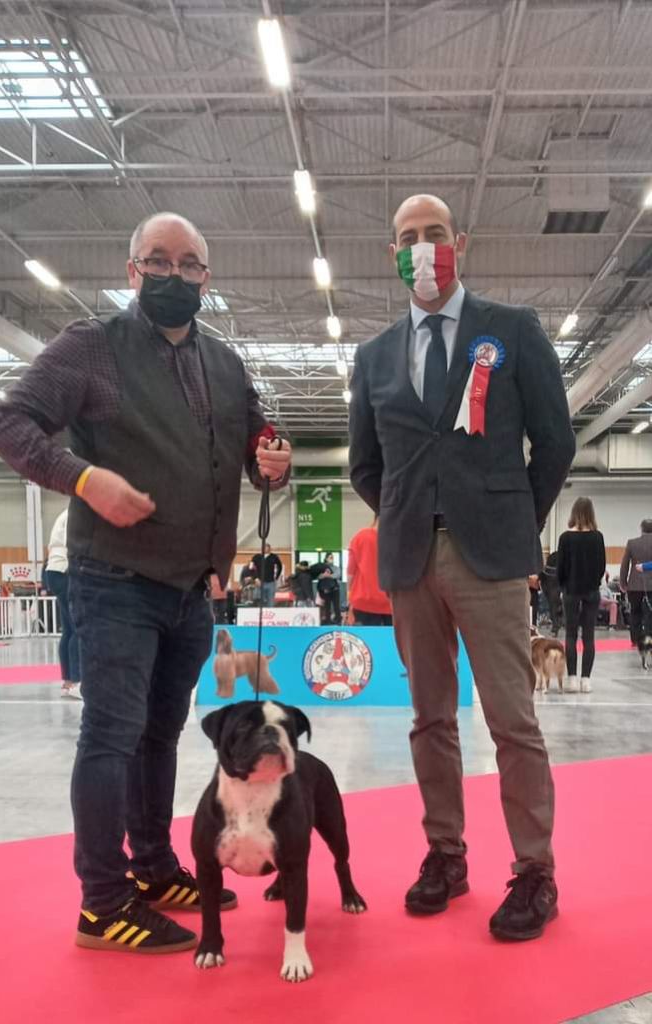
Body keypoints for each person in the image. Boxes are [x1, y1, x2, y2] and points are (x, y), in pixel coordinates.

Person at [0, 212, 291, 956]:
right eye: (158, 260)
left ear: (205, 279)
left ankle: (152, 867)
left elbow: (253, 439)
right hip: (112, 578)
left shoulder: (225, 362)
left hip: (191, 587)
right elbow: (7, 423)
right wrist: (83, 479)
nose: (172, 274)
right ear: (132, 270)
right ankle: (101, 901)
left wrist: (270, 460)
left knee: (159, 734)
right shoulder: (90, 347)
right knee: (111, 736)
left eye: (188, 264)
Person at [349, 193, 575, 942]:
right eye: (407, 237)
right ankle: (445, 854)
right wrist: (408, 514)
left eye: (435, 233)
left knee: (512, 719)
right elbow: (365, 466)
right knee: (429, 720)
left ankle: (534, 870)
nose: (422, 247)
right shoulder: (373, 357)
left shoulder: (510, 332)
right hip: (410, 559)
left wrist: (512, 518)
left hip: (492, 558)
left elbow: (555, 440)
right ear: (392, 254)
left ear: (461, 242)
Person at [557, 498, 606, 693]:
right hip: (592, 591)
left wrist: (563, 586)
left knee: (570, 635)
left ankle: (571, 679)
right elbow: (601, 566)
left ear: (573, 513)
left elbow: (560, 568)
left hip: (571, 591)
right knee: (589, 636)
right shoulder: (598, 537)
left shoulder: (565, 538)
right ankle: (586, 681)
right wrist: (594, 583)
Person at [45, 508, 82, 700]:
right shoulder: (75, 513)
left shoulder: (64, 513)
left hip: (54, 570)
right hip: (64, 570)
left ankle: (68, 681)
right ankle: (77, 681)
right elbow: (75, 545)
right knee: (76, 628)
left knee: (68, 630)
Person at [348, 518, 392, 625]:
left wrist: (349, 597)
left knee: (365, 636)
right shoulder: (397, 539)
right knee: (390, 636)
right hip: (392, 603)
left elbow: (350, 572)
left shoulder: (360, 537)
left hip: (363, 602)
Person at [619, 520, 652, 647]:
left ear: (641, 529)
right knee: (650, 613)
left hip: (635, 585)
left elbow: (625, 565)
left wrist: (623, 583)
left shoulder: (632, 543)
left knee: (635, 612)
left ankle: (635, 639)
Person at [252, 543, 283, 607]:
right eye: (264, 547)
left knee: (270, 601)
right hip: (260, 582)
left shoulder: (274, 557)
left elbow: (280, 566)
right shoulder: (256, 557)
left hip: (271, 582)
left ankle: (269, 612)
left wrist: (276, 577)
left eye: (267, 548)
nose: (265, 549)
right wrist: (255, 578)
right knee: (260, 601)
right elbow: (251, 568)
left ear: (270, 549)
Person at [540, 550, 562, 636]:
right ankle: (557, 625)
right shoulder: (561, 568)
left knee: (553, 607)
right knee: (556, 607)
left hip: (550, 589)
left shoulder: (546, 570)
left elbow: (542, 579)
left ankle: (555, 627)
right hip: (558, 589)